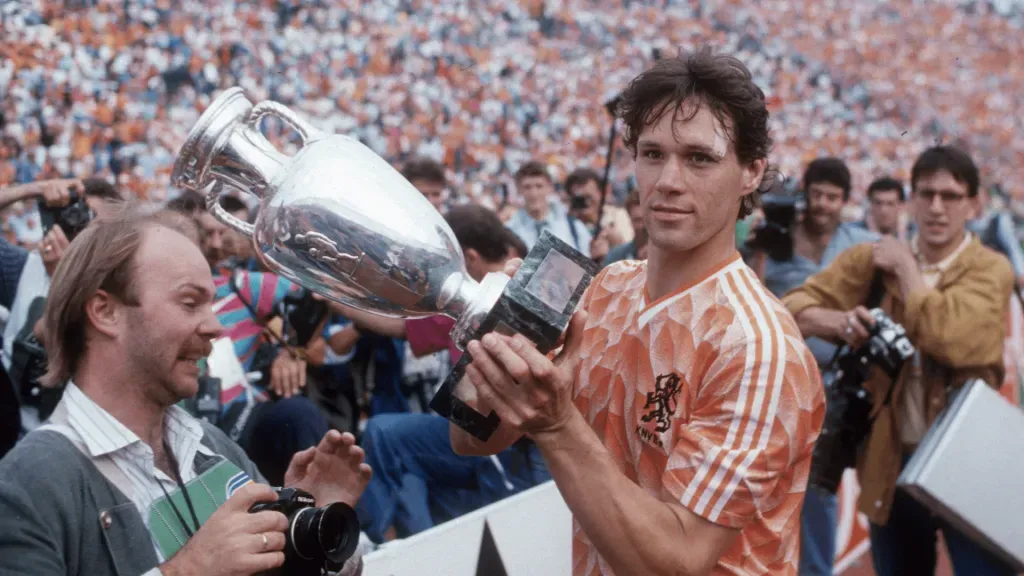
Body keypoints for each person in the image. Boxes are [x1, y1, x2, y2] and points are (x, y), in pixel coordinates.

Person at [452, 50, 825, 575]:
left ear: (751, 173)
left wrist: (556, 425)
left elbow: (674, 562)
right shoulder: (605, 289)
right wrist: (499, 344)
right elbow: (472, 438)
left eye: (699, 158)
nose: (669, 180)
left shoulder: (759, 350)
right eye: (652, 153)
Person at [0, 203, 371, 575]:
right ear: (105, 311)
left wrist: (308, 534)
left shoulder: (209, 444)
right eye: (190, 302)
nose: (215, 326)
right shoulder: (27, 483)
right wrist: (187, 570)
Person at [782, 146, 1015, 576]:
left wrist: (907, 271)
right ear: (912, 200)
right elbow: (790, 307)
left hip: (967, 460)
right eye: (926, 194)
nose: (936, 208)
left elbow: (952, 339)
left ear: (974, 204)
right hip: (891, 459)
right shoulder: (872, 261)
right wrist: (834, 320)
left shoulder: (990, 269)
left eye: (951, 196)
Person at [323, 205, 550, 543]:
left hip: (521, 442)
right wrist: (335, 295)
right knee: (388, 435)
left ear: (469, 257)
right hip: (473, 432)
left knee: (520, 521)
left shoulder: (526, 287)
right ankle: (398, 548)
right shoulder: (468, 299)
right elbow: (403, 328)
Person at [751, 157, 878, 575]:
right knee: (766, 480)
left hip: (835, 382)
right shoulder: (776, 240)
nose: (823, 204)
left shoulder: (859, 244)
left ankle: (818, 571)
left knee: (819, 486)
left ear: (845, 201)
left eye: (833, 197)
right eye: (817, 194)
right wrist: (755, 246)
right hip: (779, 378)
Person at [0, 177, 123, 437]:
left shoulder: (119, 293)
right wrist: (32, 189)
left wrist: (64, 279)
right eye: (78, 217)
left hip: (66, 443)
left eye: (97, 226)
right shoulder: (24, 267)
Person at [506, 160, 593, 256]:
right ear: (518, 189)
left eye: (539, 186)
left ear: (550, 187)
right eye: (527, 187)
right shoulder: (510, 231)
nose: (534, 193)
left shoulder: (572, 226)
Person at [564, 168, 634, 261]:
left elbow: (633, 252)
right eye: (579, 199)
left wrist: (617, 245)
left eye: (589, 197)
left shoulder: (619, 215)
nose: (585, 202)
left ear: (601, 193)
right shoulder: (566, 225)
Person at [602, 189, 647, 265]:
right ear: (630, 221)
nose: (644, 226)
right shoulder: (616, 257)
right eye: (638, 220)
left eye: (647, 219)